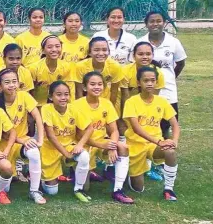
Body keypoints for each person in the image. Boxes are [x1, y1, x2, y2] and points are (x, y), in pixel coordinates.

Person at [74, 72, 134, 204]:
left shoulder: (106, 104)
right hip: (84, 144)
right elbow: (78, 135)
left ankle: (118, 190)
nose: (97, 87)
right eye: (92, 84)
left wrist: (112, 145)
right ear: (84, 87)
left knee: (122, 147)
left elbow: (114, 130)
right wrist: (102, 145)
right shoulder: (76, 105)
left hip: (102, 142)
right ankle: (78, 172)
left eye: (100, 84)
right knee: (85, 188)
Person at [122, 66, 180, 201]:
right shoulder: (132, 102)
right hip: (135, 146)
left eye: (152, 80)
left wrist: (174, 141)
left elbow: (175, 125)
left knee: (170, 151)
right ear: (138, 83)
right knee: (138, 189)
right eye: (145, 80)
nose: (149, 83)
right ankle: (129, 174)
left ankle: (169, 189)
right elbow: (136, 129)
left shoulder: (161, 101)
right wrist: (159, 142)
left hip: (154, 145)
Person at [0, 69, 47, 204]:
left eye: (14, 81)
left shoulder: (24, 96)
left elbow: (37, 117)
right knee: (5, 189)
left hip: (21, 141)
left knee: (34, 151)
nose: (11, 85)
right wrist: (22, 140)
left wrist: (39, 140)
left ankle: (34, 191)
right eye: (7, 82)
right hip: (4, 144)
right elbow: (4, 133)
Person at [40, 81, 94, 202]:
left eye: (66, 94)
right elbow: (51, 136)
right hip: (50, 149)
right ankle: (42, 178)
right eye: (59, 94)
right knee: (52, 192)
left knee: (84, 155)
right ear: (50, 97)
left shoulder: (73, 109)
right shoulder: (46, 109)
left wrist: (80, 145)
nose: (63, 97)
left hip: (69, 146)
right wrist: (66, 154)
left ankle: (78, 189)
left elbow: (90, 128)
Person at [137, 11, 187, 138]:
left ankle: (164, 152)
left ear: (164, 23)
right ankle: (146, 154)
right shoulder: (140, 42)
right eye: (151, 21)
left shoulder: (173, 42)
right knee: (146, 123)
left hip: (168, 91)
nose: (155, 24)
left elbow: (180, 63)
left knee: (166, 125)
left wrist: (169, 78)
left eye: (159, 21)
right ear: (146, 24)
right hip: (146, 91)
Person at [28, 35, 78, 106]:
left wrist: (70, 108)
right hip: (39, 106)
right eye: (49, 47)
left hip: (60, 106)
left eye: (57, 46)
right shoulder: (33, 68)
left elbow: (71, 92)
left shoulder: (67, 67)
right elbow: (29, 93)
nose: (54, 49)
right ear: (43, 50)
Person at [74, 37, 123, 108]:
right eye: (96, 50)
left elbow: (114, 92)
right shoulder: (80, 66)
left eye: (104, 50)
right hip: (87, 102)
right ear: (90, 52)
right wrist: (82, 109)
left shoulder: (115, 66)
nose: (101, 53)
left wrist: (110, 109)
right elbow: (79, 93)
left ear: (109, 52)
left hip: (106, 102)